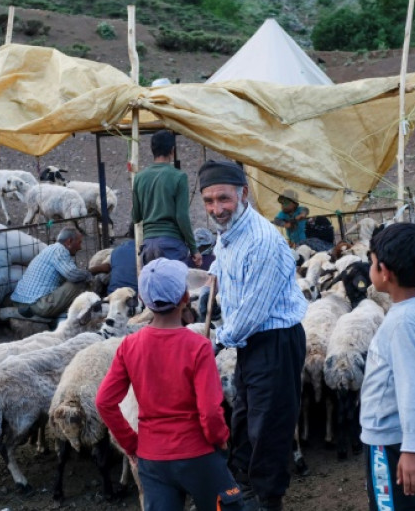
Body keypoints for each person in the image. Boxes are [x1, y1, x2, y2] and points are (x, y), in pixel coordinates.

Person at [198, 160, 307, 511]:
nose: (217, 208)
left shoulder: (261, 240)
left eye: (224, 199)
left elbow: (251, 313)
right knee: (244, 415)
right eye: (209, 200)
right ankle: (244, 489)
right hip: (251, 342)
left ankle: (270, 499)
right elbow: (222, 262)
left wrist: (213, 342)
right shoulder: (227, 231)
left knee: (269, 426)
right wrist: (208, 280)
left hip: (273, 339)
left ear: (243, 194)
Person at [95, 258, 243, 511]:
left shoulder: (129, 346)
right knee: (228, 505)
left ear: (144, 299)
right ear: (186, 297)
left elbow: (104, 402)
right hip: (199, 456)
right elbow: (209, 410)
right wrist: (220, 439)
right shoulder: (198, 346)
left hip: (152, 460)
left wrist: (131, 443)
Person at [360, 222, 415, 511]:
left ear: (385, 272)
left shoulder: (401, 324)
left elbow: (411, 385)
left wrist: (411, 450)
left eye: (371, 262)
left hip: (394, 442)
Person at [2, 228, 109, 319]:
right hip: (38, 305)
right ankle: (88, 309)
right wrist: (93, 271)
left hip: (22, 300)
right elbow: (72, 274)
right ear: (69, 241)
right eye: (79, 242)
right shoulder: (60, 251)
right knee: (80, 283)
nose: (80, 247)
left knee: (71, 281)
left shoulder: (50, 249)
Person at [132, 129, 202, 267]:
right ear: (172, 150)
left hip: (148, 246)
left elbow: (136, 216)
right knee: (174, 286)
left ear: (152, 150)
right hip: (171, 245)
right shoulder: (179, 177)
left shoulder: (139, 178)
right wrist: (194, 249)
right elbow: (182, 216)